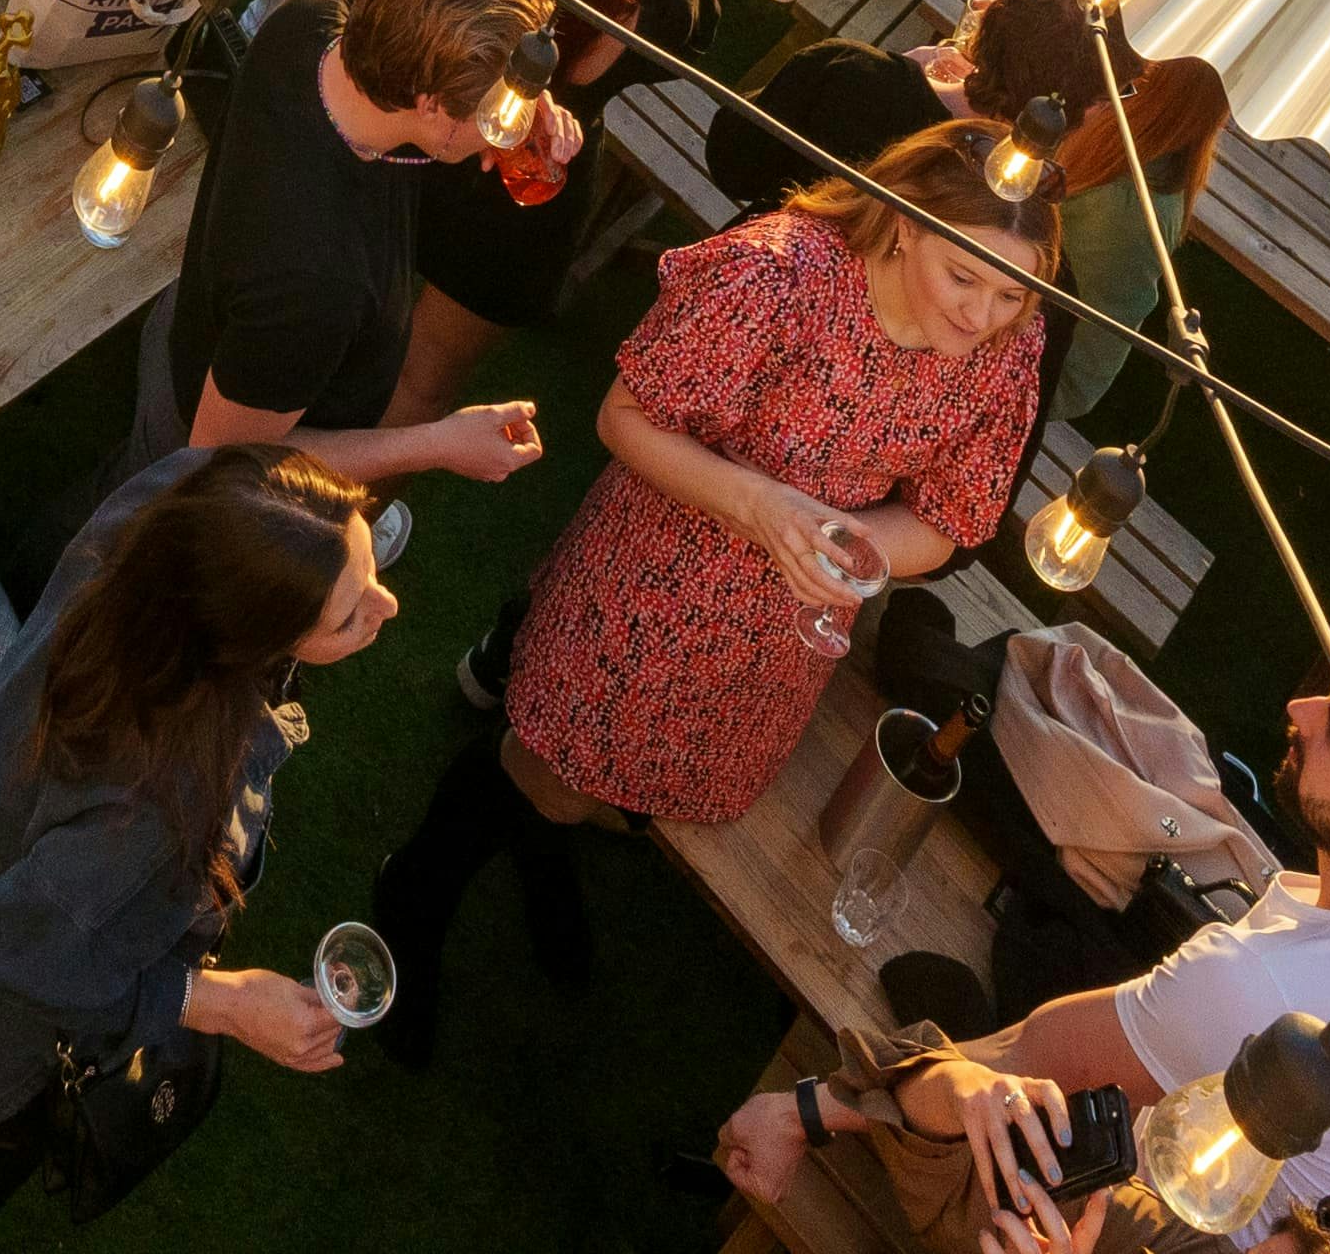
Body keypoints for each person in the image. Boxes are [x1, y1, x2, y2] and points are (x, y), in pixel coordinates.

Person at [363, 116, 1057, 1055]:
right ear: (903, 226)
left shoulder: (1010, 345)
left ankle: (541, 837)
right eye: (963, 276)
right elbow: (624, 419)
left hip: (784, 633)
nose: (982, 317)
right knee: (551, 758)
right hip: (654, 577)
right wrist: (765, 508)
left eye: (1011, 294)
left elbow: (947, 518)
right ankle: (417, 890)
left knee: (639, 783)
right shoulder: (774, 276)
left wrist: (850, 548)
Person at [736, 649, 1330, 1254]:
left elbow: (1027, 1061)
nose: (1300, 708)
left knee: (982, 1120)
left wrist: (812, 1108)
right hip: (1253, 1195)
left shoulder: (1263, 991)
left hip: (1199, 1226)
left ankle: (819, 1107)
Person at [0, 443, 390, 1254]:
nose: (386, 605)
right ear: (246, 636)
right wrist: (229, 1005)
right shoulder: (157, 798)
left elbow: (261, 494)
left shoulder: (170, 507)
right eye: (347, 613)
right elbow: (30, 956)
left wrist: (438, 441)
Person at [125, 0, 562, 517]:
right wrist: (436, 444)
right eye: (500, 113)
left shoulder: (317, 21)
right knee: (122, 529)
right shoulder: (317, 282)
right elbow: (220, 454)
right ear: (430, 104)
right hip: (200, 438)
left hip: (198, 322)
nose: (511, 128)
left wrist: (517, 89)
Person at [391, 0, 684, 421]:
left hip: (421, 139)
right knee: (423, 383)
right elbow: (695, 11)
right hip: (525, 199)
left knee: (341, 309)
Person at [957, 0, 1223, 445]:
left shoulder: (1128, 209)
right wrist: (1013, 58)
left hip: (973, 382)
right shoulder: (1080, 112)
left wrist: (962, 366)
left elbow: (1074, 381)